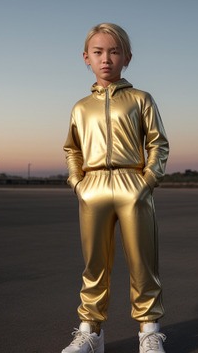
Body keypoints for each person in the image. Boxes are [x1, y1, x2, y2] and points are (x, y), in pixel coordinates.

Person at [62, 23, 169, 353]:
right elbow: (72, 149)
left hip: (132, 186)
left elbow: (158, 144)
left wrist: (148, 180)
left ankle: (149, 331)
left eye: (113, 51)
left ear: (127, 58)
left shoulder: (141, 99)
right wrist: (77, 182)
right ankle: (91, 332)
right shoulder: (81, 107)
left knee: (143, 262)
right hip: (92, 188)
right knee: (94, 265)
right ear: (86, 58)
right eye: (98, 52)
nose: (105, 58)